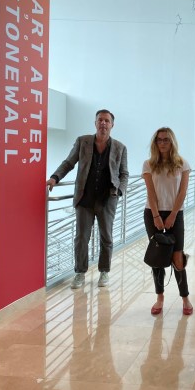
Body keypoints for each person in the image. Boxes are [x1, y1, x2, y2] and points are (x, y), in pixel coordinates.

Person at [47, 109, 128, 289]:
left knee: (106, 237)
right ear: (95, 123)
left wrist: (120, 192)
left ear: (112, 125)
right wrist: (54, 178)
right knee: (81, 238)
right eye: (100, 120)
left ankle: (104, 271)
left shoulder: (120, 147)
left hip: (107, 200)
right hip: (84, 199)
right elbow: (69, 162)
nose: (103, 123)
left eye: (107, 121)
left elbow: (124, 174)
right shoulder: (82, 141)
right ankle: (80, 273)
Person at [142, 127, 193, 316]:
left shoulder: (182, 163)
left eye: (166, 139)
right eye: (159, 140)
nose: (162, 143)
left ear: (172, 142)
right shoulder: (148, 164)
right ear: (155, 143)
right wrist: (156, 216)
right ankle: (160, 297)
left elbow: (182, 192)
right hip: (152, 213)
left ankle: (185, 297)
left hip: (175, 213)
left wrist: (172, 215)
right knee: (158, 256)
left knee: (177, 257)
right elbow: (151, 192)